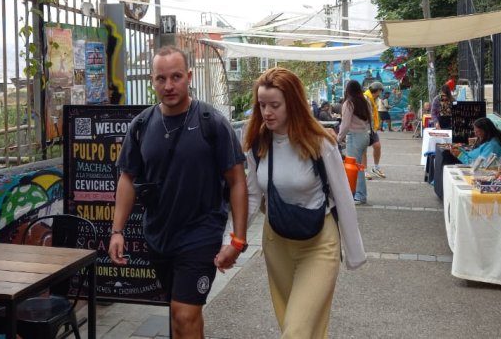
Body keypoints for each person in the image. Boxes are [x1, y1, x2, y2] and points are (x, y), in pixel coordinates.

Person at [109, 46, 248, 339]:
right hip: (159, 235)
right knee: (179, 314)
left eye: (176, 77)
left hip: (201, 232)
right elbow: (127, 178)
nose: (168, 86)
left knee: (185, 313)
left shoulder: (213, 123)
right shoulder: (142, 125)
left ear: (189, 77)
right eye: (161, 78)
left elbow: (237, 181)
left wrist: (237, 239)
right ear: (152, 80)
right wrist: (117, 231)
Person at [238, 67, 366, 338]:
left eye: (275, 105)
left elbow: (343, 197)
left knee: (296, 330)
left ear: (293, 103)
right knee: (300, 327)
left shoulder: (319, 142)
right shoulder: (257, 144)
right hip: (276, 243)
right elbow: (252, 195)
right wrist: (235, 240)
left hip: (319, 243)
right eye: (262, 105)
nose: (267, 112)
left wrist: (354, 253)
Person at [337, 80, 372, 204]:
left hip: (354, 137)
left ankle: (360, 195)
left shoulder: (348, 103)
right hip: (364, 135)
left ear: (348, 90)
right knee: (359, 166)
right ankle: (355, 193)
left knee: (354, 167)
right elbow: (370, 119)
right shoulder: (366, 101)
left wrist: (338, 138)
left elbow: (345, 125)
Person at [361, 82, 385, 179]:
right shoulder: (365, 98)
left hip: (372, 127)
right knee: (364, 150)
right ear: (377, 90)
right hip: (364, 127)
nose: (380, 93)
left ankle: (375, 167)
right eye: (380, 91)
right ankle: (364, 170)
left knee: (377, 146)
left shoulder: (374, 99)